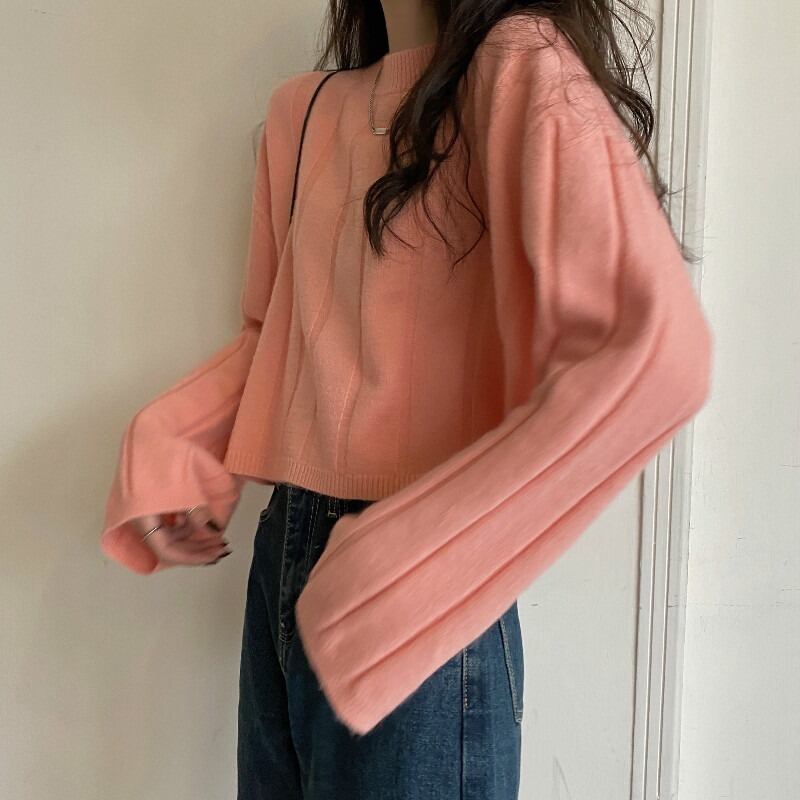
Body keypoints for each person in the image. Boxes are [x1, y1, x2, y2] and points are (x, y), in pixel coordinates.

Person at [100, 1, 713, 798]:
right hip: (282, 557)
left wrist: (416, 563)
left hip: (423, 619)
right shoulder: (303, 111)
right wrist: (175, 446)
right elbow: (276, 335)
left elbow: (647, 351)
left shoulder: (518, 63)